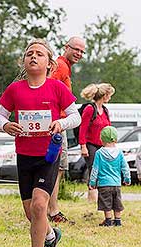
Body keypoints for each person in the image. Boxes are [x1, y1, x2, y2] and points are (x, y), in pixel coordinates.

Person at [0, 39, 81, 247]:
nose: (33, 56)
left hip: (48, 155)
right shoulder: (15, 89)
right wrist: (6, 125)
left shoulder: (56, 88)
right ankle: (51, 236)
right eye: (29, 53)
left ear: (49, 63)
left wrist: (60, 123)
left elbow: (76, 117)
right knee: (31, 213)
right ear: (24, 61)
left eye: (39, 54)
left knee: (40, 206)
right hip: (24, 156)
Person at [48, 36, 86, 223]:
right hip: (57, 123)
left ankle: (49, 208)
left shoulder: (64, 67)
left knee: (56, 166)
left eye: (82, 51)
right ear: (66, 47)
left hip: (59, 122)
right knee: (57, 167)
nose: (79, 53)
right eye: (76, 49)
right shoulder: (60, 66)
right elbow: (47, 88)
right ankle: (52, 211)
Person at [79, 83, 115, 201]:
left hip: (103, 145)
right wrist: (83, 146)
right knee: (94, 169)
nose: (110, 97)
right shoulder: (90, 109)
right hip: (90, 144)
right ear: (104, 95)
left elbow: (109, 129)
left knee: (104, 169)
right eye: (109, 95)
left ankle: (103, 196)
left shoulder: (105, 110)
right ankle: (92, 198)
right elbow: (82, 128)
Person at [89, 126, 131, 226]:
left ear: (102, 139)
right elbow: (125, 167)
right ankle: (118, 220)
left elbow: (95, 169)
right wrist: (127, 178)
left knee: (106, 202)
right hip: (116, 183)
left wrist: (92, 182)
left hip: (104, 184)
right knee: (117, 202)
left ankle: (108, 220)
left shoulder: (99, 153)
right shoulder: (119, 153)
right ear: (115, 139)